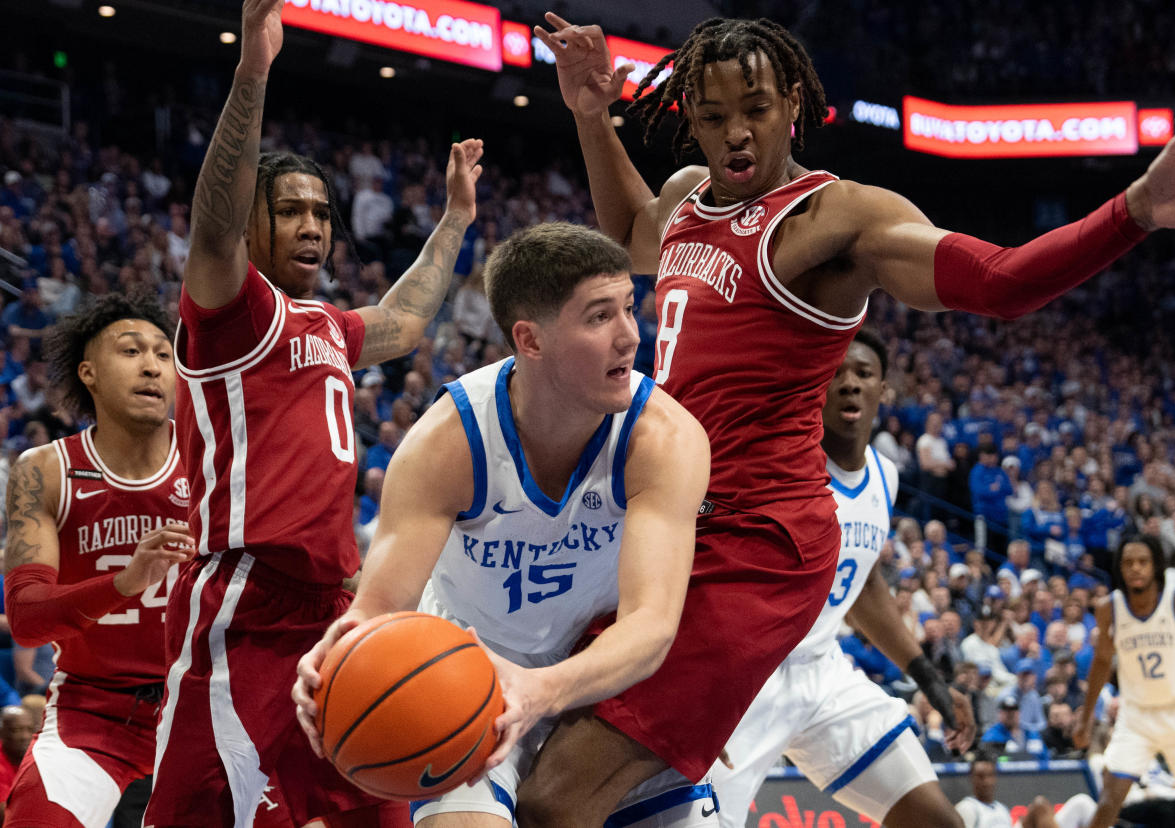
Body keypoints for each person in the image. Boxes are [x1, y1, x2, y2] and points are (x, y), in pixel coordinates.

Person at [533, 10, 1175, 825]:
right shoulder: (688, 198)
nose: (736, 134)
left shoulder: (835, 220)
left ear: (792, 100)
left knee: (560, 799)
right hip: (675, 522)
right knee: (582, 774)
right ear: (688, 117)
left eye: (756, 109)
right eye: (716, 115)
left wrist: (1138, 209)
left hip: (759, 546)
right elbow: (629, 235)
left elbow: (1003, 283)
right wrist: (591, 114)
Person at [144, 2, 484, 824]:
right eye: (289, 210)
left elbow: (404, 322)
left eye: (322, 214)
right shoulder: (233, 311)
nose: (310, 226)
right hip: (244, 603)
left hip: (336, 609)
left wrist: (454, 222)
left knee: (374, 800)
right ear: (255, 226)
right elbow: (214, 225)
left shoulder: (327, 324)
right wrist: (253, 71)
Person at [291, 222, 712, 827]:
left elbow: (650, 626)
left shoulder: (664, 439)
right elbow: (379, 605)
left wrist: (544, 690)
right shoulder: (448, 442)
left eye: (628, 309)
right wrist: (341, 651)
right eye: (599, 318)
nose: (630, 337)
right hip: (464, 679)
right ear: (530, 340)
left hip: (601, 680)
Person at [713, 329, 973, 828]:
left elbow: (865, 585)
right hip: (746, 678)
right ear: (813, 385)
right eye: (835, 373)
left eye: (864, 374)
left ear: (883, 390)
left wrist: (929, 680)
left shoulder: (885, 475)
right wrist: (701, 691)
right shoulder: (773, 468)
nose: (850, 384)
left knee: (937, 821)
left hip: (822, 672)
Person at [0, 294, 196, 827]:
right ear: (88, 372)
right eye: (131, 351)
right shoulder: (46, 470)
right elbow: (27, 618)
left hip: (209, 703)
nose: (152, 364)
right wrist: (124, 582)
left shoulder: (219, 461)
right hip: (95, 707)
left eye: (163, 353)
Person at [1074, 534, 1175, 828]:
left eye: (1143, 561)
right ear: (1119, 568)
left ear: (1156, 565)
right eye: (1128, 562)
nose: (1135, 568)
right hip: (1136, 717)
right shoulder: (1110, 608)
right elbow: (1103, 662)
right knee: (1109, 800)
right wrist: (1085, 718)